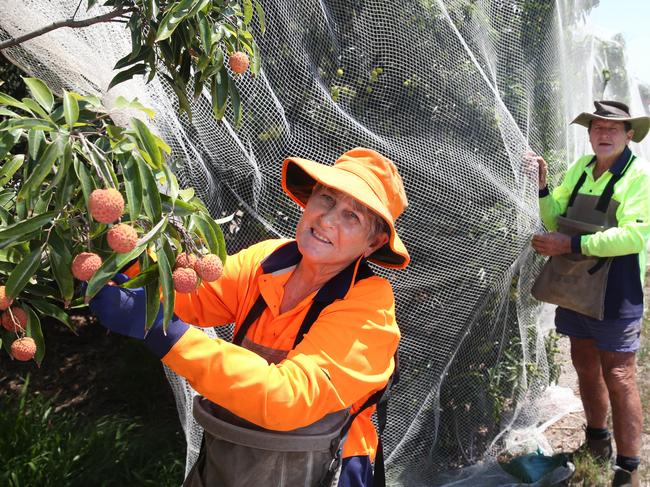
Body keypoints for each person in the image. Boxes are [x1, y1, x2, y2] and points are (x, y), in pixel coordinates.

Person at [90, 147, 410, 487]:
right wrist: (125, 256)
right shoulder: (268, 260)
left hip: (322, 471)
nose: (328, 219)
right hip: (237, 454)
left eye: (352, 217)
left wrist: (162, 331)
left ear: (372, 244)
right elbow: (193, 291)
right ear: (309, 200)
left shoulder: (371, 310)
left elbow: (286, 398)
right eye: (327, 199)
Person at [529, 101, 650, 487]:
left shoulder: (639, 177)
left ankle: (628, 467)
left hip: (618, 289)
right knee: (583, 360)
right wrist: (544, 185)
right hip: (578, 285)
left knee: (619, 372)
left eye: (613, 128)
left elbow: (634, 236)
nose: (604, 134)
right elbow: (553, 218)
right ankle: (597, 441)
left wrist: (571, 245)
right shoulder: (581, 169)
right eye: (597, 127)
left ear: (629, 134)